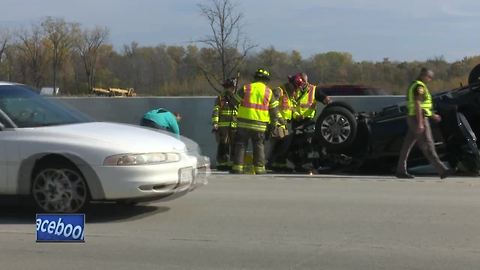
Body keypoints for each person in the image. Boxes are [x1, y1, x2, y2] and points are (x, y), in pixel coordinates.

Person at [395, 68, 451, 179]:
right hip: (418, 118)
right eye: (429, 77)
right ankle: (442, 170)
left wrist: (432, 115)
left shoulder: (414, 84)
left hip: (413, 117)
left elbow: (422, 105)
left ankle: (400, 170)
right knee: (428, 144)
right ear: (423, 75)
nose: (430, 79)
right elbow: (417, 104)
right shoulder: (419, 87)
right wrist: (421, 122)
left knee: (407, 145)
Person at [229, 68, 280, 174]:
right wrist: (273, 125)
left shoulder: (246, 88)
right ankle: (259, 169)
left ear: (255, 78)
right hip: (260, 125)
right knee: (259, 146)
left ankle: (237, 168)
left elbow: (233, 102)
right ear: (266, 80)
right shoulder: (268, 92)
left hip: (243, 123)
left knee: (240, 144)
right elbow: (274, 112)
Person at [267, 76, 296, 171]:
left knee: (282, 145)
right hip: (276, 123)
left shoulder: (290, 95)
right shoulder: (278, 91)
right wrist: (278, 120)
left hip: (284, 124)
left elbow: (289, 109)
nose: (296, 89)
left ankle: (279, 164)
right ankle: (272, 163)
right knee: (280, 144)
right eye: (295, 86)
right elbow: (272, 107)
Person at [211, 78, 238, 170]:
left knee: (235, 145)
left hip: (235, 125)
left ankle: (234, 162)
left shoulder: (237, 98)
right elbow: (216, 111)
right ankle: (223, 163)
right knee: (223, 145)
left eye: (232, 88)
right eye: (230, 88)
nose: (231, 90)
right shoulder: (220, 98)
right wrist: (215, 123)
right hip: (223, 126)